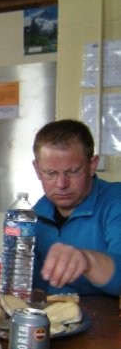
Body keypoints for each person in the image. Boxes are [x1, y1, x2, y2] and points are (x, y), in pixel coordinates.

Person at [32, 119, 121, 296]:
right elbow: (33, 289)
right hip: (56, 321)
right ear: (37, 170)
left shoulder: (115, 202)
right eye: (50, 173)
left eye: (72, 171)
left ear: (92, 165)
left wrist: (87, 260)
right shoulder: (32, 217)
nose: (61, 184)